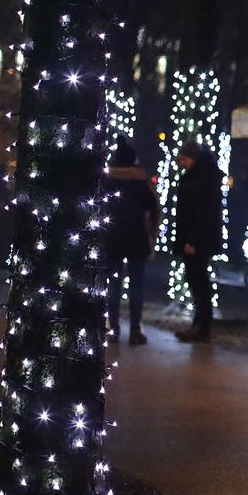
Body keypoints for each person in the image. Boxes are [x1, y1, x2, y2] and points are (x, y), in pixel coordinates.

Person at [106, 140, 159, 344]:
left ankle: (114, 329)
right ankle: (135, 329)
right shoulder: (140, 183)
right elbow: (154, 209)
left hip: (112, 239)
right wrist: (151, 234)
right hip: (137, 239)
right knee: (136, 286)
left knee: (113, 286)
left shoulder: (107, 182)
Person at [174, 140, 223, 343]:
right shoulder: (200, 176)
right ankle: (200, 324)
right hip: (196, 239)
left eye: (183, 158)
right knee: (197, 282)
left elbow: (204, 213)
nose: (180, 162)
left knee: (198, 282)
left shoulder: (202, 178)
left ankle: (202, 325)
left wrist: (193, 240)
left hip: (198, 241)